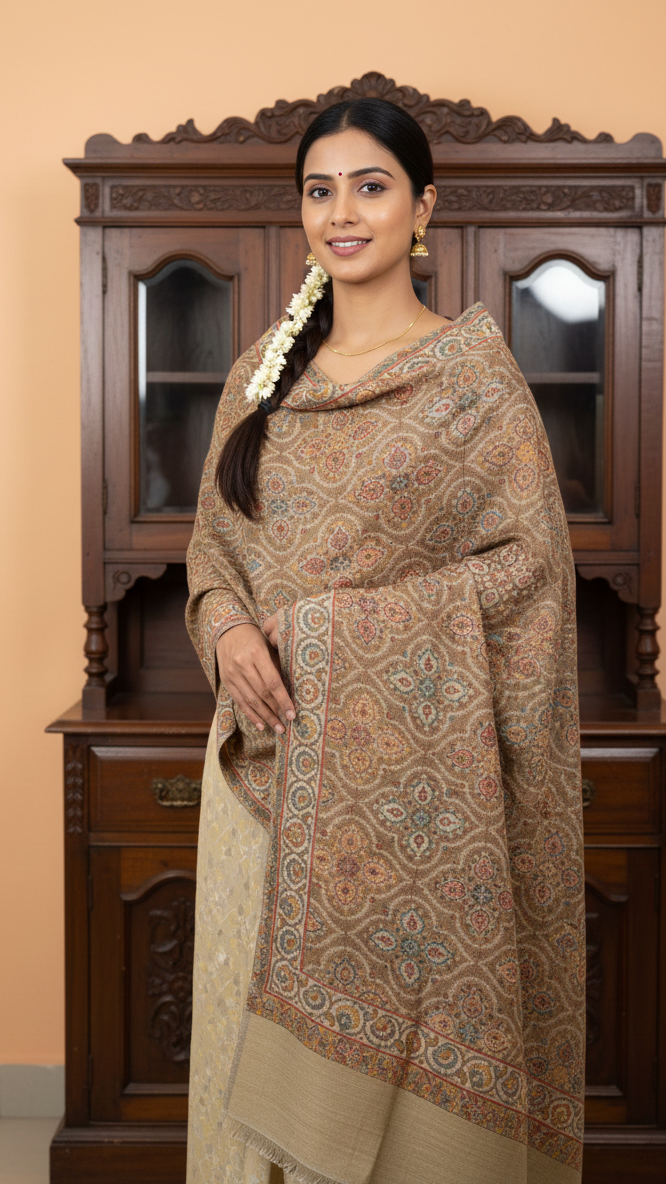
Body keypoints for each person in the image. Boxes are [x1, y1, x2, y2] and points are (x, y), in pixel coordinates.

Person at [185, 97, 585, 1184]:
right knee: (246, 1073)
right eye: (321, 190)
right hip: (264, 776)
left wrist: (334, 629)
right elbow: (214, 554)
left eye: (371, 186)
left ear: (423, 210)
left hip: (416, 796)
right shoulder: (260, 377)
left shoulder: (470, 380)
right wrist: (224, 630)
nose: (342, 213)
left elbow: (531, 571)